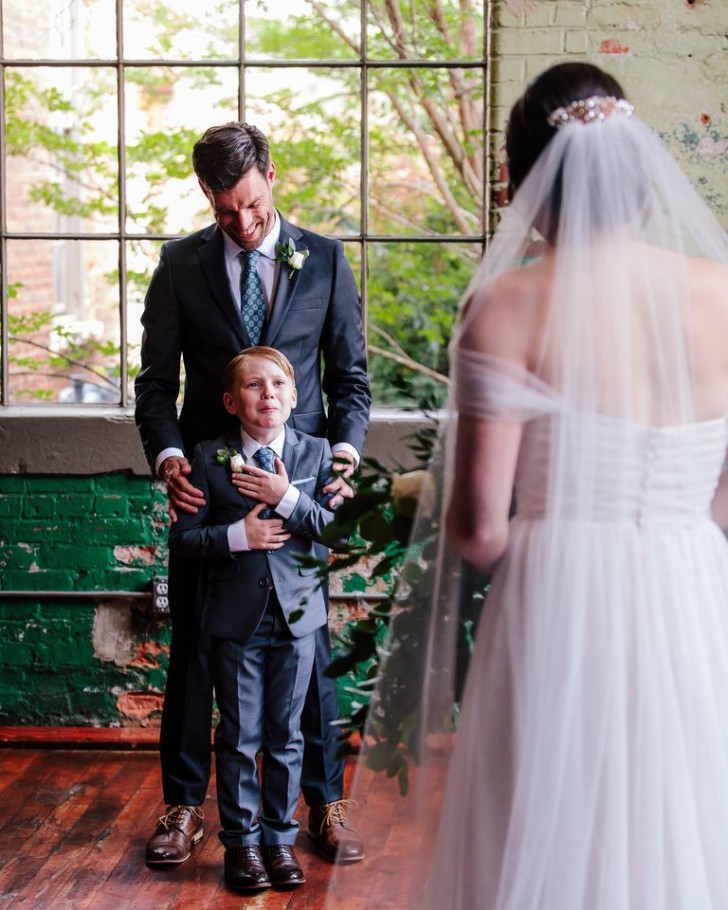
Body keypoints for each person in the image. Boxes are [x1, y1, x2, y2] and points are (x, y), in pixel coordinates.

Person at [326, 62, 728, 908]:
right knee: (679, 806)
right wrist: (684, 533)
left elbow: (476, 527)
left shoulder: (506, 305)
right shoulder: (720, 294)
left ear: (522, 181)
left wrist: (551, 541)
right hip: (694, 580)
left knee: (551, 818)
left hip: (560, 592)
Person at [134, 122, 370, 868]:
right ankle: (181, 805)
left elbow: (351, 382)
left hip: (298, 481)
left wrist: (343, 453)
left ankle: (323, 804)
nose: (242, 221)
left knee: (309, 650)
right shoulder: (179, 266)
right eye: (224, 208)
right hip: (209, 495)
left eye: (254, 205)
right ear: (206, 194)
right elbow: (153, 387)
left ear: (270, 174)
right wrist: (170, 457)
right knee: (197, 655)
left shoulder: (326, 260)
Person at [168, 346, 340, 892]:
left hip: (298, 620)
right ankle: (241, 847)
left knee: (288, 735)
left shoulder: (315, 456)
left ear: (294, 397)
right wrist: (239, 536)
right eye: (252, 386)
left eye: (277, 386)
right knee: (240, 735)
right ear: (230, 400)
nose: (266, 394)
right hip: (235, 621)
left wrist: (285, 495)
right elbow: (185, 539)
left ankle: (280, 841)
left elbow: (337, 531)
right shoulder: (208, 454)